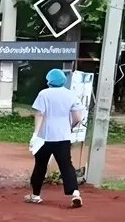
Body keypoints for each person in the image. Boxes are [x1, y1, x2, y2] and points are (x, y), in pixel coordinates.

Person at [27, 68, 85, 208]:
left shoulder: (44, 94)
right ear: (63, 81)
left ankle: (36, 195)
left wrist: (35, 134)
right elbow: (78, 117)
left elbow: (40, 114)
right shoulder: (70, 94)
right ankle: (75, 193)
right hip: (63, 136)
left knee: (40, 166)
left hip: (45, 137)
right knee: (66, 166)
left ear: (49, 80)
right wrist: (69, 126)